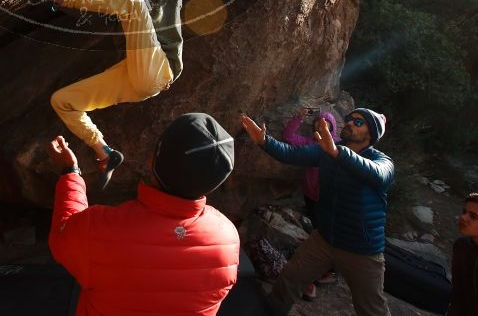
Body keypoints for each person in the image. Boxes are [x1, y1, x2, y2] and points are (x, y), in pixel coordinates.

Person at [13, 0, 217, 181]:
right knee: (63, 100)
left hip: (160, 70)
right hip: (135, 79)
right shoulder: (127, 6)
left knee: (132, 3)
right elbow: (94, 5)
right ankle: (104, 152)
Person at [47, 112, 239, 315]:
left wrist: (71, 174)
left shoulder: (97, 229)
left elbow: (63, 235)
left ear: (151, 160)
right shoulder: (227, 239)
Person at [241, 108, 394, 316]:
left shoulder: (381, 162)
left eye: (358, 123)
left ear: (371, 134)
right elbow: (292, 154)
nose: (349, 123)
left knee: (371, 309)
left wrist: (338, 153)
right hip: (324, 240)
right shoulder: (328, 149)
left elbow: (376, 174)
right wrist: (264, 141)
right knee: (289, 280)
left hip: (361, 249)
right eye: (349, 119)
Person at [282, 107, 340, 300]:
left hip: (328, 198)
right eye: (317, 125)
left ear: (332, 128)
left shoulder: (339, 146)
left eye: (326, 125)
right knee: (317, 233)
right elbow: (289, 137)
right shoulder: (310, 144)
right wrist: (298, 117)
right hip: (310, 195)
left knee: (326, 235)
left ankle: (325, 272)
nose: (321, 128)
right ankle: (320, 273)